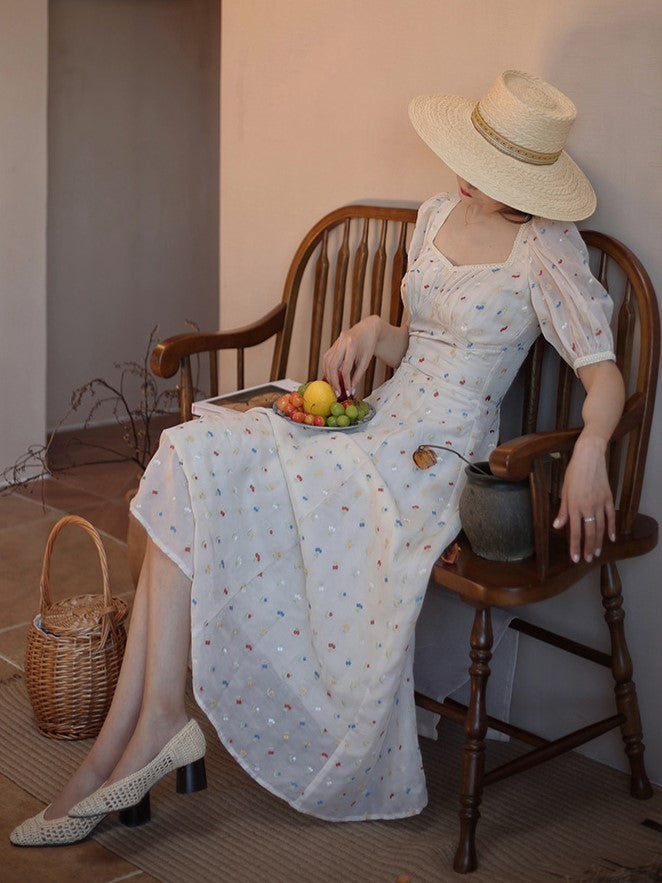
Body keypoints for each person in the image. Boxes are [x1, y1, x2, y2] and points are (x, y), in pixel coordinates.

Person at [11, 70, 623, 846]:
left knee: (214, 471)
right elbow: (422, 337)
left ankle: (125, 747)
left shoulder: (546, 250)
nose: (463, 175)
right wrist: (378, 328)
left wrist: (593, 444)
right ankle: (155, 721)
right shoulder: (437, 214)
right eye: (470, 154)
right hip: (376, 419)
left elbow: (603, 374)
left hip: (435, 456)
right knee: (191, 451)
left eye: (486, 168)